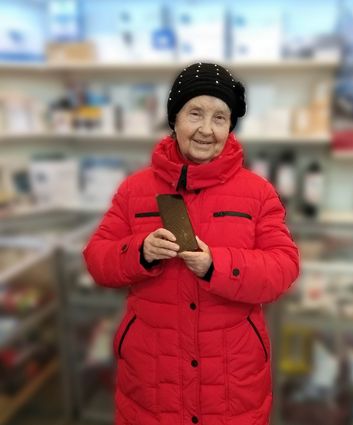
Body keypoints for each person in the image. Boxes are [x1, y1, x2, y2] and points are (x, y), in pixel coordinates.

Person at [83, 62, 299, 425]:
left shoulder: (258, 192)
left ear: (230, 126)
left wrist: (217, 265)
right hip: (152, 379)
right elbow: (97, 258)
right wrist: (140, 251)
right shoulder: (135, 190)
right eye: (195, 113)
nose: (206, 129)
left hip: (232, 382)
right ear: (174, 119)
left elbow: (284, 267)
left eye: (220, 117)